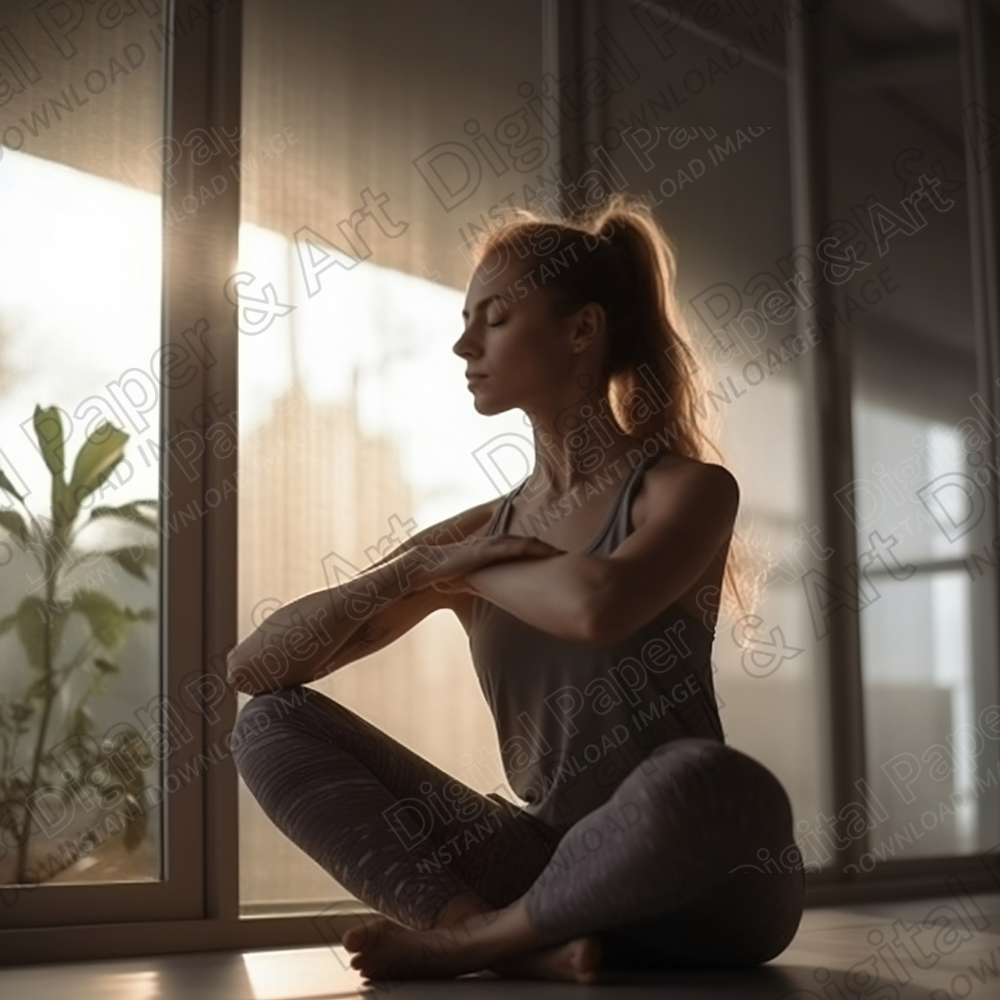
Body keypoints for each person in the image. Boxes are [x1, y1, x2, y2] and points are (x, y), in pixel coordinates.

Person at [226, 194, 805, 983]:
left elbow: (600, 605)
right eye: (467, 319)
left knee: (711, 779)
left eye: (493, 317)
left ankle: (488, 946)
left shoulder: (688, 491)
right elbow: (250, 670)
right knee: (268, 724)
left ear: (581, 330)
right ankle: (490, 935)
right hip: (549, 869)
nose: (465, 343)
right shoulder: (470, 542)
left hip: (702, 879)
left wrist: (459, 567)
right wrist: (410, 571)